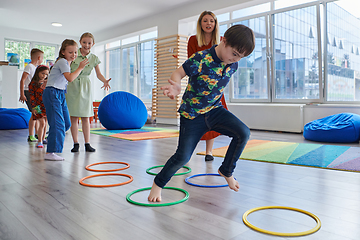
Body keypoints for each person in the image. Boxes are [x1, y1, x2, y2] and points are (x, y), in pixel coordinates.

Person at [148, 24, 255, 202]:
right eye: (234, 54)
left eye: (240, 57)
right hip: (192, 115)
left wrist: (233, 59)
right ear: (223, 41)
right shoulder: (200, 58)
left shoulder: (232, 65)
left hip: (215, 110)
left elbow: (219, 82)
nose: (236, 60)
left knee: (243, 133)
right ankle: (158, 184)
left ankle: (226, 171)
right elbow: (178, 73)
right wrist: (175, 86)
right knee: (182, 157)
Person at [187, 11, 227, 162]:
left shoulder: (221, 40)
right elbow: (190, 61)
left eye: (212, 21)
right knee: (195, 119)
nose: (208, 23)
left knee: (213, 118)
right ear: (200, 23)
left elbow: (224, 62)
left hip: (214, 86)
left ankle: (208, 152)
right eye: (205, 21)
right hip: (197, 85)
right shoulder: (192, 40)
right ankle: (189, 150)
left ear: (215, 24)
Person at [43, 39, 89, 161]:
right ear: (63, 52)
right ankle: (50, 152)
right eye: (70, 52)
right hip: (53, 93)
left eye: (75, 52)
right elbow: (70, 78)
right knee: (58, 124)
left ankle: (52, 137)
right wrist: (80, 68)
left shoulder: (65, 62)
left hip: (60, 93)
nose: (73, 55)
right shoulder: (63, 61)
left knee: (67, 123)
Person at [66, 32, 111, 153]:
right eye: (84, 42)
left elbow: (98, 74)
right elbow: (66, 70)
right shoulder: (74, 55)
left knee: (86, 116)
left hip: (86, 86)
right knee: (74, 117)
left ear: (93, 44)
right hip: (73, 85)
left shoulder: (94, 58)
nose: (87, 45)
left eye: (89, 43)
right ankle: (75, 143)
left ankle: (87, 143)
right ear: (80, 42)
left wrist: (105, 80)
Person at [19, 48, 44, 142]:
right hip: (28, 92)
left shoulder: (35, 68)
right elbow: (22, 80)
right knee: (35, 113)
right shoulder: (29, 67)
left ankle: (38, 134)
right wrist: (22, 94)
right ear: (39, 57)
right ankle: (31, 135)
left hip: (34, 92)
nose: (42, 59)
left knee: (37, 113)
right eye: (42, 58)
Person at [28, 65, 50, 148]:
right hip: (37, 106)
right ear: (37, 73)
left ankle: (43, 138)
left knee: (45, 123)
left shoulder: (47, 83)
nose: (44, 76)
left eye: (46, 74)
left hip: (46, 105)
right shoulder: (33, 84)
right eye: (42, 73)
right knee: (42, 123)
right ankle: (40, 141)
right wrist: (33, 107)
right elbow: (32, 96)